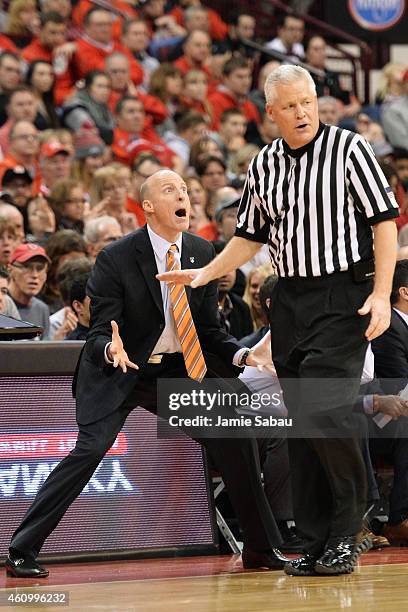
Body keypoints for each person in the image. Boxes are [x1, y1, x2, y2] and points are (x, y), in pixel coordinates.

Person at [158, 65, 399, 577]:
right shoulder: (265, 163)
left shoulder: (351, 150)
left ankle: (346, 532)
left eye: (308, 101)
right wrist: (207, 273)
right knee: (302, 420)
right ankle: (314, 540)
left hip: (344, 294)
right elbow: (249, 237)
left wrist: (381, 295)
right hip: (289, 298)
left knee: (328, 410)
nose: (302, 112)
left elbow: (385, 224)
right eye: (289, 105)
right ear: (270, 114)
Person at [6, 168, 288, 578]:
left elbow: (209, 331)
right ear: (149, 206)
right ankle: (22, 549)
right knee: (89, 451)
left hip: (177, 370)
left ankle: (260, 548)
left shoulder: (202, 251)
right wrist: (109, 348)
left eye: (187, 190)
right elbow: (102, 330)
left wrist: (244, 356)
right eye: (171, 189)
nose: (184, 196)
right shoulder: (116, 257)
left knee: (236, 433)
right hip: (121, 370)